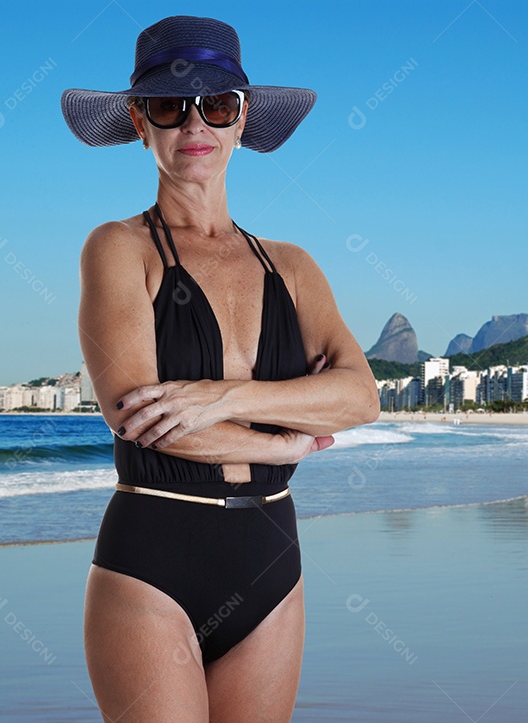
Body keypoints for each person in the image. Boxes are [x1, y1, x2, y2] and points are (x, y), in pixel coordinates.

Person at [63, 16, 379, 721]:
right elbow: (140, 418)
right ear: (141, 124)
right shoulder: (118, 249)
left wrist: (219, 396)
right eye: (171, 108)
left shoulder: (293, 267)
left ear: (242, 122)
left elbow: (361, 396)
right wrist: (285, 440)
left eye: (218, 104)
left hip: (271, 557)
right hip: (153, 557)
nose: (195, 124)